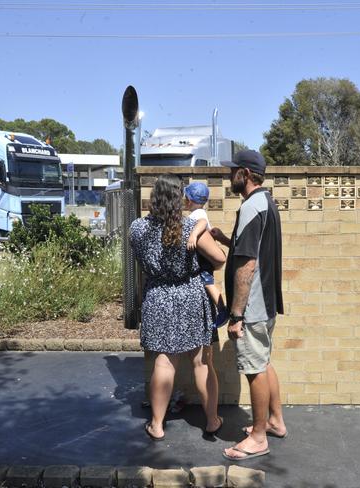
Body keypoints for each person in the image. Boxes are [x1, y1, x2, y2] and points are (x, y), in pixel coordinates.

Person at [129, 173, 226, 441]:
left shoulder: (137, 228)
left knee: (164, 361)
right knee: (201, 363)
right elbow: (219, 259)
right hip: (190, 297)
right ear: (178, 200)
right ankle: (212, 421)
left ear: (154, 198)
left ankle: (157, 425)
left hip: (158, 297)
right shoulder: (189, 227)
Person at [210, 149, 286, 461]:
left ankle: (257, 437)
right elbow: (250, 248)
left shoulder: (252, 207)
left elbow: (247, 265)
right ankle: (275, 421)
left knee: (254, 369)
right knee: (264, 362)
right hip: (266, 303)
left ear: (245, 173)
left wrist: (237, 314)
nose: (229, 176)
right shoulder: (265, 202)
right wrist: (226, 239)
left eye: (233, 171)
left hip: (252, 308)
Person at [184, 182, 229, 327]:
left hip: (203, 259)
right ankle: (221, 309)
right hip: (204, 257)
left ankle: (222, 309)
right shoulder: (200, 212)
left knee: (208, 283)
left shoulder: (198, 214)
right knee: (207, 283)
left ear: (189, 200)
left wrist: (193, 235)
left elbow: (202, 223)